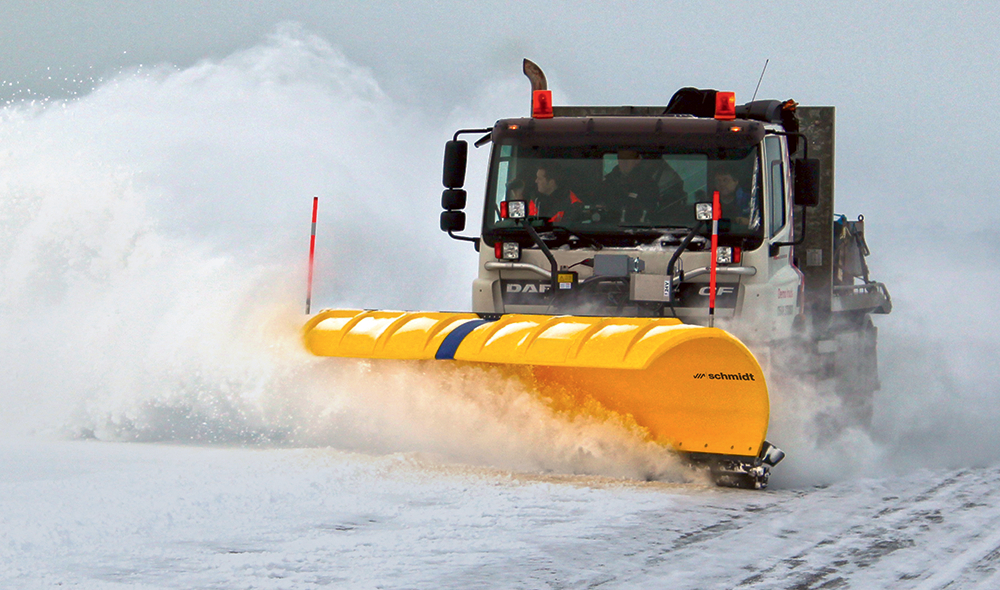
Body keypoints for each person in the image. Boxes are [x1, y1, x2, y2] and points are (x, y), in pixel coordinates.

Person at [602, 150, 659, 224]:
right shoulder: (608, 183)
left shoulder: (649, 184)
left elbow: (653, 211)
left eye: (628, 158)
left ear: (637, 160)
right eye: (621, 158)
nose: (624, 162)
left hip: (639, 229)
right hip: (609, 230)